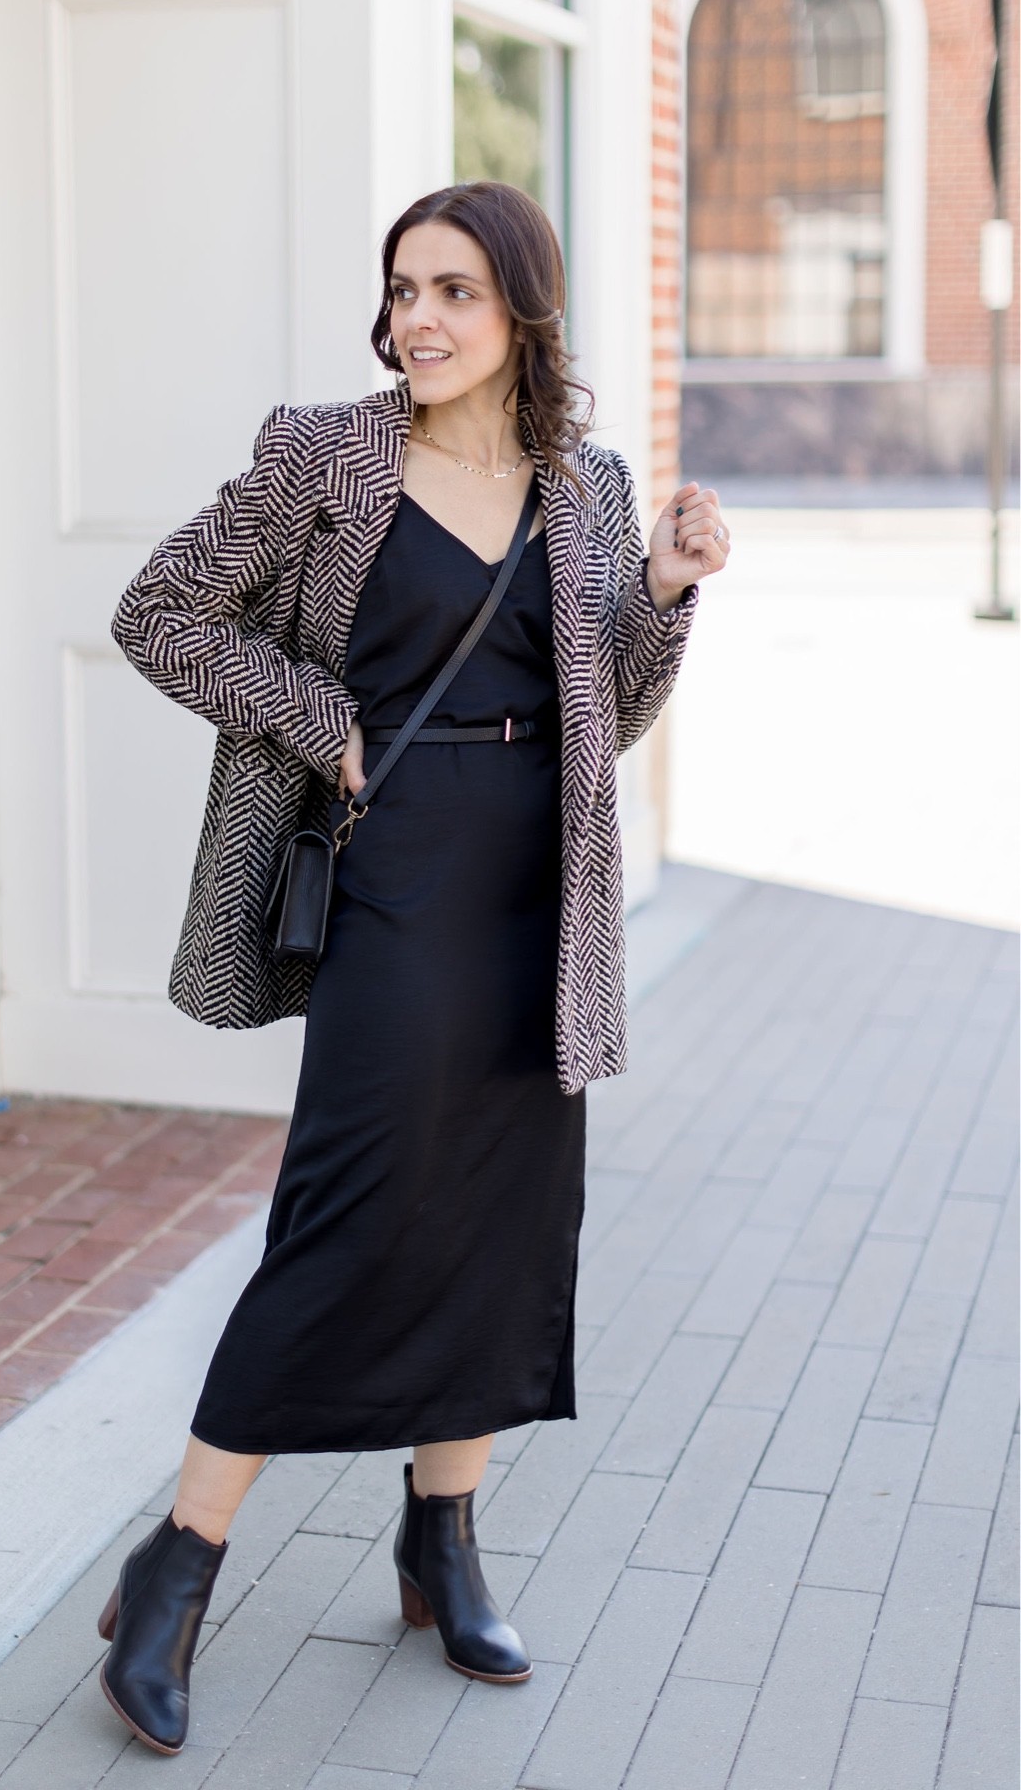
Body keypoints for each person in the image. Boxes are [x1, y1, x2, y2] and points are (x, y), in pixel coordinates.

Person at [100, 180, 729, 1756]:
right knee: (349, 1207)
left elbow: (616, 711)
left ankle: (440, 1543)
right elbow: (157, 613)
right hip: (396, 871)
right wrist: (333, 728)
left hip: (541, 883)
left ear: (521, 306)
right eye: (401, 291)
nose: (417, 322)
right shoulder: (322, 455)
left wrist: (660, 593)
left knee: (504, 1220)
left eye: (451, 291)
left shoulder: (584, 485)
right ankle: (175, 1571)